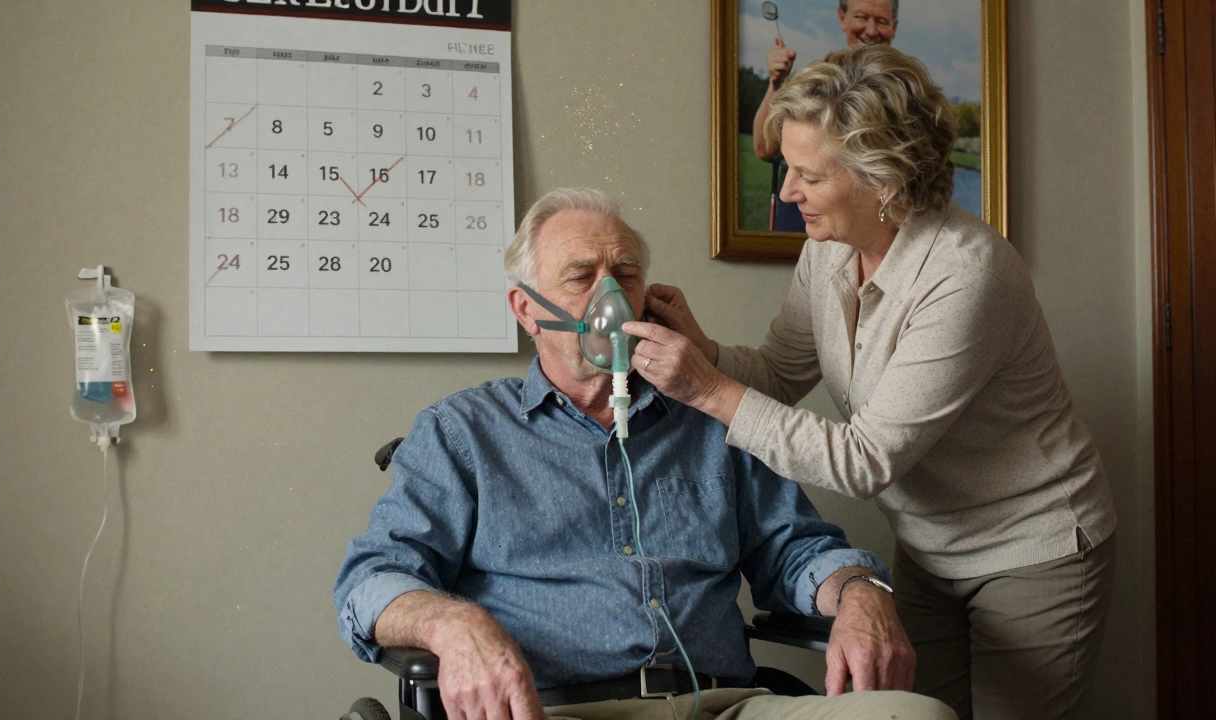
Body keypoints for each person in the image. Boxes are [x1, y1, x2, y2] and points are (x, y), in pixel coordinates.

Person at [626, 46, 1117, 720]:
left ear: (882, 179)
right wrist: (700, 350)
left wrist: (705, 388)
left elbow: (865, 460)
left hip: (1033, 546)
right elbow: (776, 373)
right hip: (927, 545)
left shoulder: (965, 275)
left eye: (809, 176)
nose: (788, 191)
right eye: (787, 169)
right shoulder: (826, 252)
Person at [334, 188, 955, 720]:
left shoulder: (709, 416)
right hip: (559, 709)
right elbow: (371, 580)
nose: (611, 297)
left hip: (723, 703)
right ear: (526, 308)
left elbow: (797, 550)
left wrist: (861, 588)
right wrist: (456, 627)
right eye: (581, 276)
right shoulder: (462, 433)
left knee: (918, 713)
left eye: (625, 274)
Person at [752, 0, 899, 232]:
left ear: (894, 27)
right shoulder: (817, 74)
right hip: (799, 224)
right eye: (861, 18)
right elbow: (764, 148)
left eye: (881, 21)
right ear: (842, 18)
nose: (871, 30)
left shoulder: (904, 91)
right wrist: (777, 82)